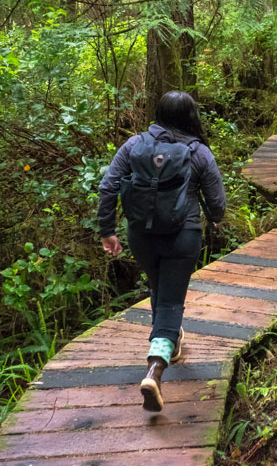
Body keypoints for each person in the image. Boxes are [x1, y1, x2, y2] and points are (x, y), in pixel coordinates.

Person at [97, 91, 226, 412]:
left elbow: (108, 186)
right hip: (184, 236)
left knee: (158, 288)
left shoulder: (134, 145)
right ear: (191, 117)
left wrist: (107, 230)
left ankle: (172, 340)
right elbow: (219, 207)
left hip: (141, 234)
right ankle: (155, 368)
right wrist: (212, 217)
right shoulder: (199, 153)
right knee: (170, 300)